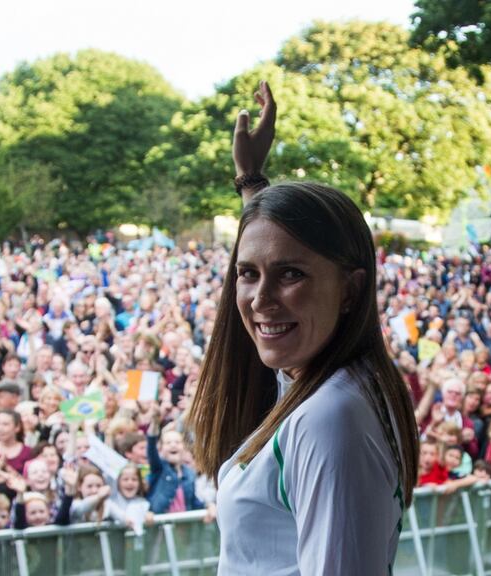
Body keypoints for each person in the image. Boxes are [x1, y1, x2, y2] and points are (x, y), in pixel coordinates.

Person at [188, 81, 418, 575]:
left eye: (291, 275)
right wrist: (252, 183)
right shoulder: (333, 379)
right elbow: (279, 243)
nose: (261, 299)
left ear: (351, 290)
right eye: (248, 274)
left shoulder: (328, 419)